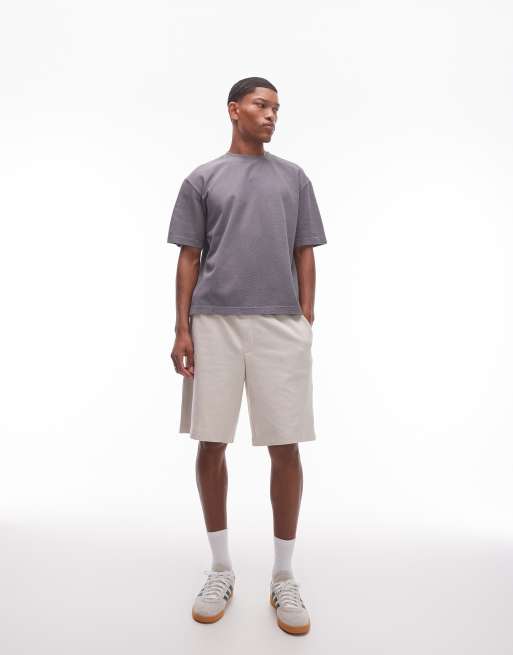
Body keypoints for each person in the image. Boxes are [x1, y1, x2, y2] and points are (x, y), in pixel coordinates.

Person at [167, 76, 327, 635]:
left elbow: (305, 250)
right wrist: (182, 328)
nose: (271, 115)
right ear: (234, 110)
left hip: (280, 325)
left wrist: (305, 317)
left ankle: (283, 576)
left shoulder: (294, 178)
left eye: (277, 108)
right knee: (212, 441)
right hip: (213, 323)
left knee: (286, 444)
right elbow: (189, 257)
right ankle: (221, 568)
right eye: (261, 105)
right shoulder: (202, 178)